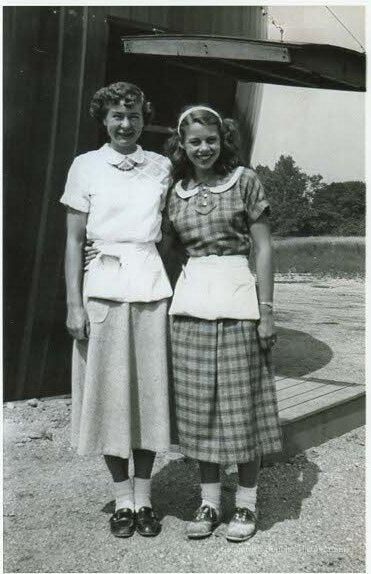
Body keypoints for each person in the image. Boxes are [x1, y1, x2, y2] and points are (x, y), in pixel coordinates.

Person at [60, 82, 173, 538]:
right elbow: (73, 239)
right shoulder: (85, 166)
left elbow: (172, 227)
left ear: (144, 119)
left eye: (133, 116)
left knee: (147, 397)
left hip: (149, 288)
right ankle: (121, 499)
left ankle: (145, 498)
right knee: (109, 398)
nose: (125, 125)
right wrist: (74, 303)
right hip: (101, 291)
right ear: (103, 121)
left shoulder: (162, 166)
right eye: (116, 117)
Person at [164, 105, 282, 542]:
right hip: (192, 307)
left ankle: (246, 506)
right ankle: (210, 501)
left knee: (241, 404)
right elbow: (167, 249)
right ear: (182, 144)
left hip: (239, 306)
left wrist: (266, 310)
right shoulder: (174, 192)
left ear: (223, 139)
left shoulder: (245, 181)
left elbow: (265, 248)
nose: (204, 148)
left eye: (211, 139)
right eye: (194, 141)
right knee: (199, 408)